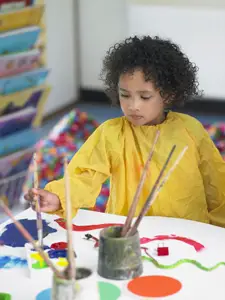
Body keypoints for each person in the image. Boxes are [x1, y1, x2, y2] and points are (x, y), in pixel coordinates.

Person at [25, 35, 225, 227]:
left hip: (189, 231)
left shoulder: (190, 130)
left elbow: (216, 186)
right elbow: (84, 176)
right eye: (125, 95)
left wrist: (218, 231)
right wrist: (58, 197)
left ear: (169, 95)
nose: (133, 105)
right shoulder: (111, 133)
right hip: (131, 233)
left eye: (145, 97)